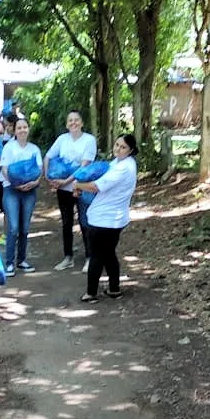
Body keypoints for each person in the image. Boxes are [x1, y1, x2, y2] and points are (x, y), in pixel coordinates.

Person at [75, 132, 138, 303]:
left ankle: (91, 293)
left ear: (131, 150)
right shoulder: (120, 162)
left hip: (105, 218)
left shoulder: (123, 168)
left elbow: (96, 186)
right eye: (117, 145)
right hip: (113, 216)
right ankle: (114, 289)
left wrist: (77, 185)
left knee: (96, 255)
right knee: (109, 253)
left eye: (123, 147)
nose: (118, 149)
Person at [43, 110, 97, 272]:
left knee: (85, 222)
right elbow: (48, 157)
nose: (73, 123)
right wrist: (48, 176)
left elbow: (85, 165)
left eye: (76, 120)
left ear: (82, 123)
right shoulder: (62, 139)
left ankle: (90, 257)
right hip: (63, 189)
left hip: (82, 186)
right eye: (70, 120)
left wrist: (66, 181)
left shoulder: (89, 140)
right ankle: (68, 257)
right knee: (66, 223)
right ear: (67, 124)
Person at [0, 116, 42, 275]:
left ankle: (22, 260)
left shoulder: (34, 149)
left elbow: (39, 169)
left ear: (28, 129)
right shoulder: (9, 148)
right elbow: (4, 169)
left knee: (24, 228)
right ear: (15, 131)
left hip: (30, 191)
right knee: (13, 227)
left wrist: (35, 182)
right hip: (11, 190)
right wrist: (15, 183)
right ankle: (9, 262)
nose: (22, 130)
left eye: (25, 127)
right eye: (19, 128)